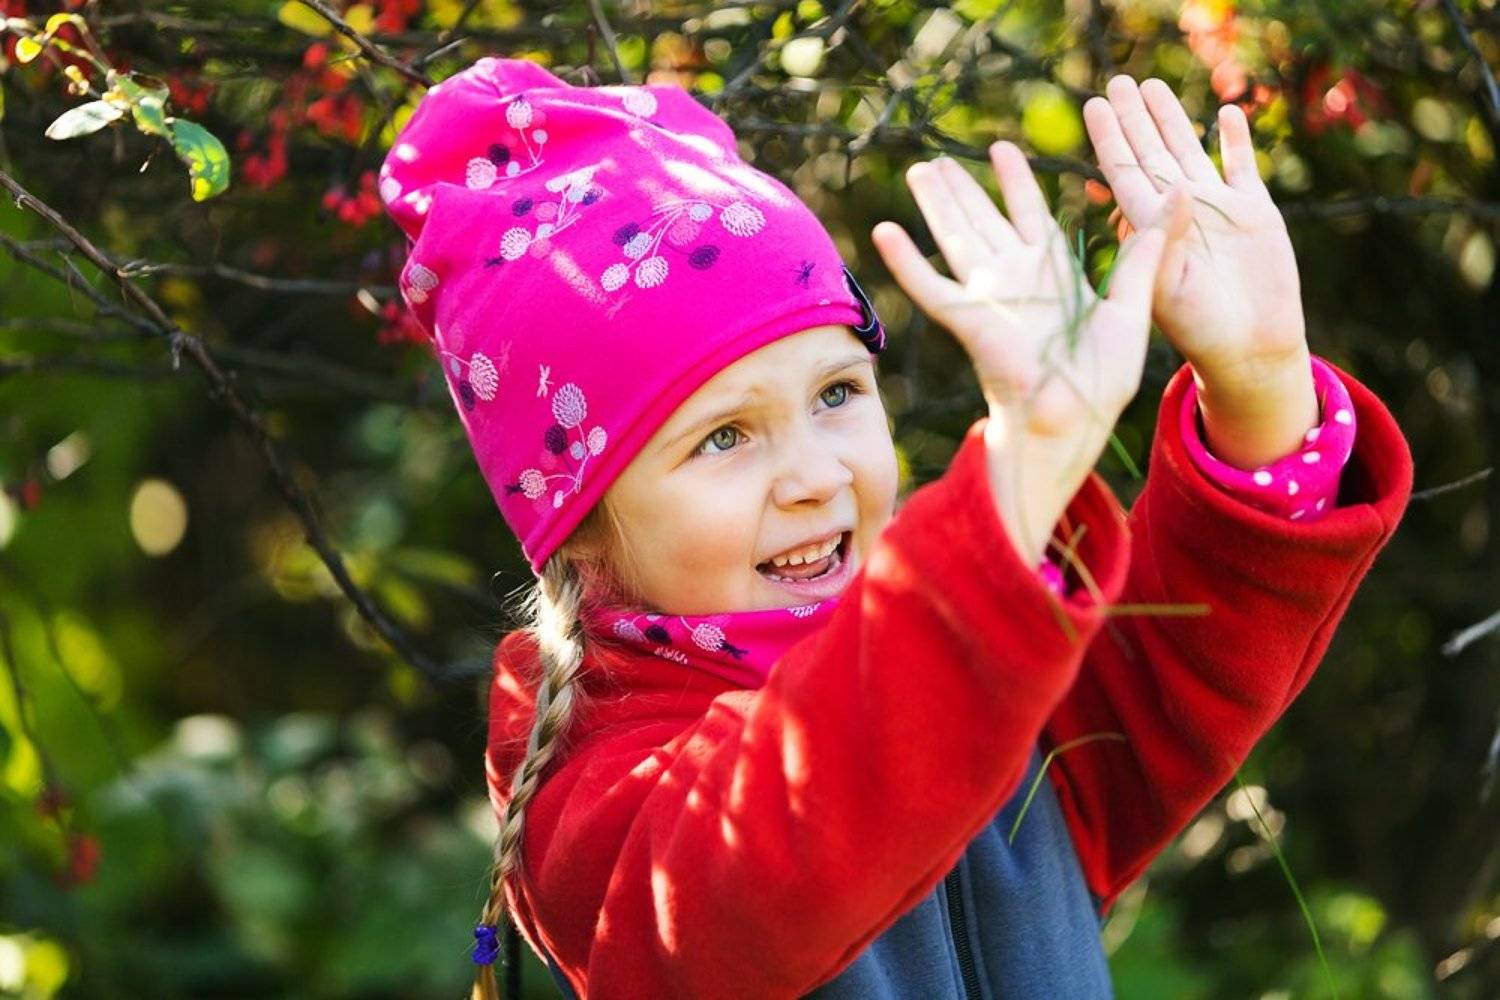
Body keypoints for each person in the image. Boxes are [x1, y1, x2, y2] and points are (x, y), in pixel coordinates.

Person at [377, 57, 1412, 999]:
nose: (815, 475)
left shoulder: (990, 665)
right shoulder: (593, 784)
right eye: (724, 437)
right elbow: (763, 870)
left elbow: (1176, 669)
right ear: (580, 525)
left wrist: (1262, 389)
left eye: (837, 392)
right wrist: (1018, 480)